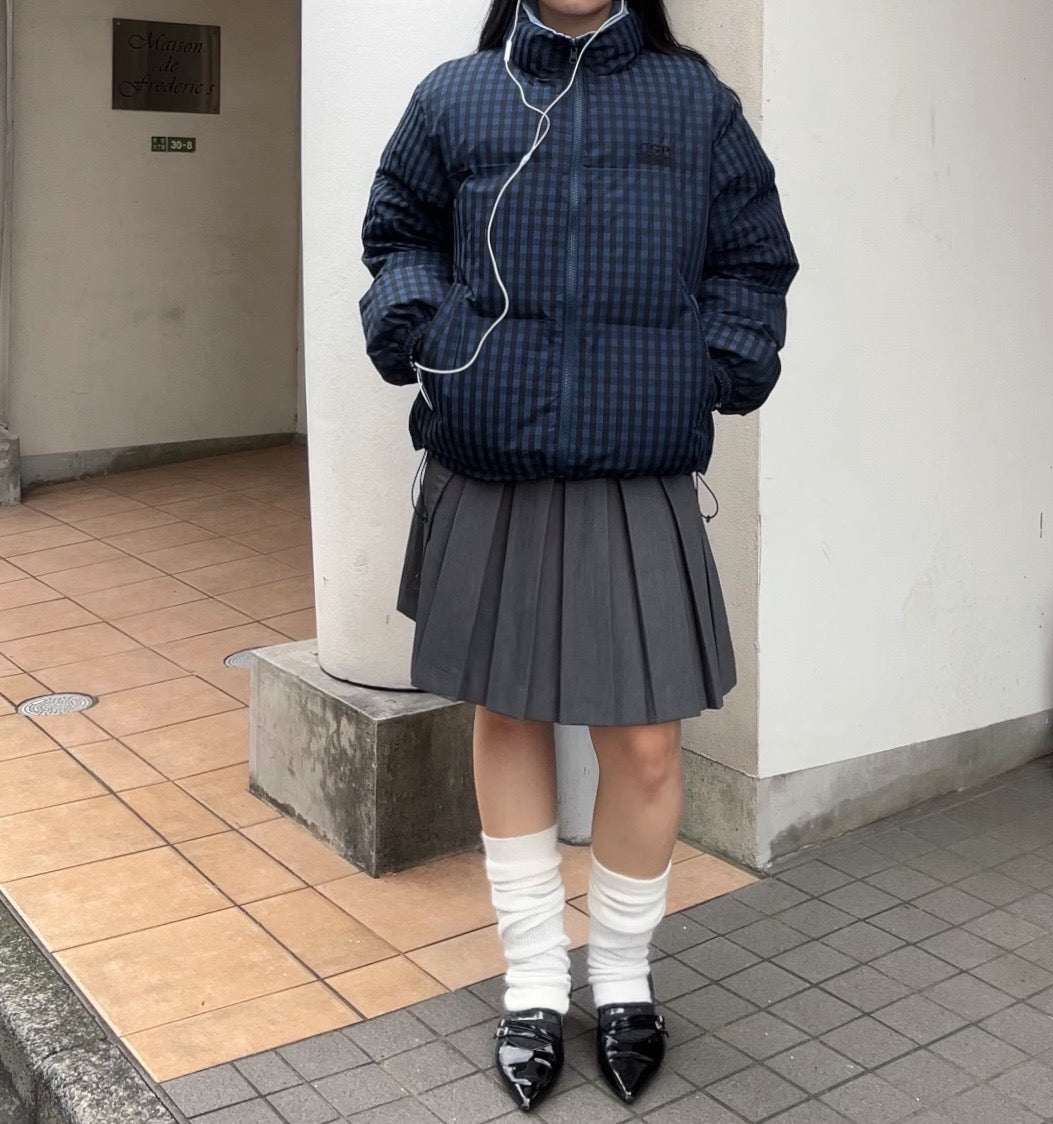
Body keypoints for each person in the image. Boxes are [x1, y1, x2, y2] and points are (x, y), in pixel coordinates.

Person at [359, 0, 797, 1111]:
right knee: (508, 713)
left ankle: (625, 977)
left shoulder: (693, 101)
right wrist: (424, 331)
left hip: (635, 458)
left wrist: (709, 364)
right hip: (490, 450)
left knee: (644, 744)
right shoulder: (456, 96)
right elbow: (398, 234)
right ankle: (532, 982)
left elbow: (752, 259)